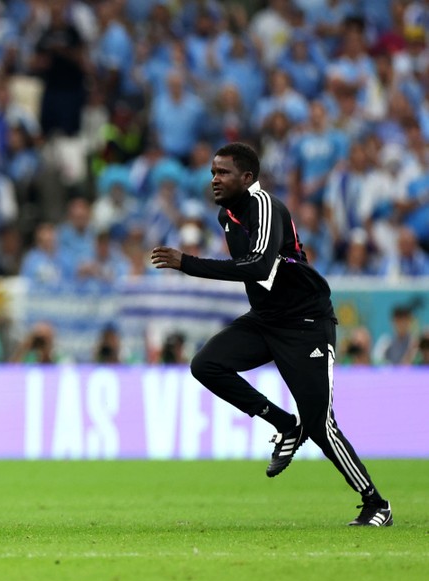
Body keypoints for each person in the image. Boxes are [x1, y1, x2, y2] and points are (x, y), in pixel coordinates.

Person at [151, 142, 392, 527]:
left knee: (320, 424)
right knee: (206, 364)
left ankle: (375, 503)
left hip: (305, 324)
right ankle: (284, 424)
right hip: (266, 319)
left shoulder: (265, 206)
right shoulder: (227, 215)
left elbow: (260, 266)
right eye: (213, 172)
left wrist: (187, 263)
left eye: (223, 172)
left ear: (247, 178)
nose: (214, 179)